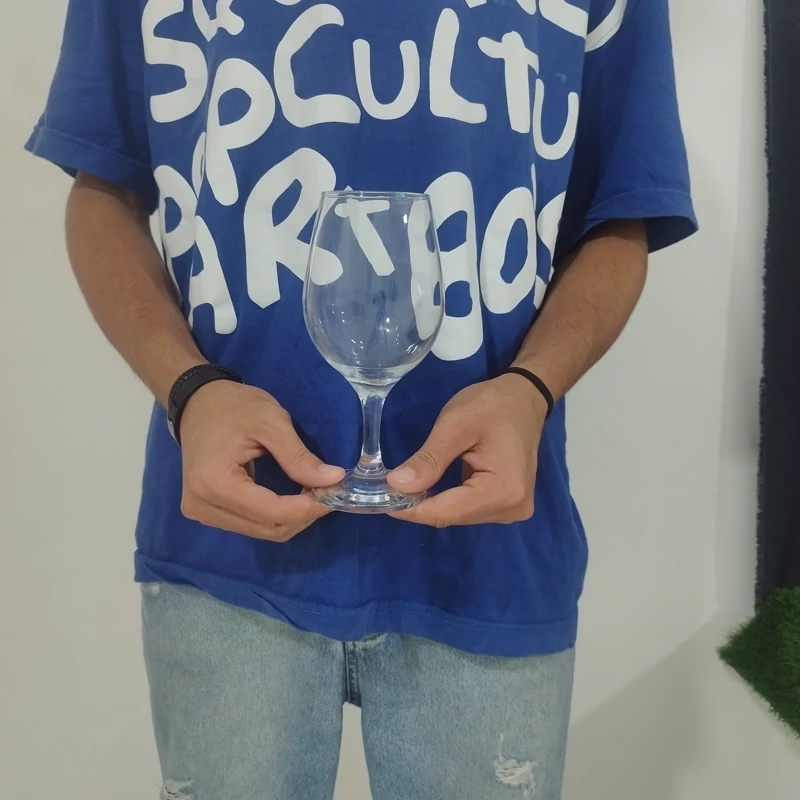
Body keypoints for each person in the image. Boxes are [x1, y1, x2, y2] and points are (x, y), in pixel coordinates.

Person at [27, 0, 696, 797]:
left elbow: (623, 213)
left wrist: (531, 388)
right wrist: (188, 389)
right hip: (228, 549)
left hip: (487, 555)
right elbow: (103, 184)